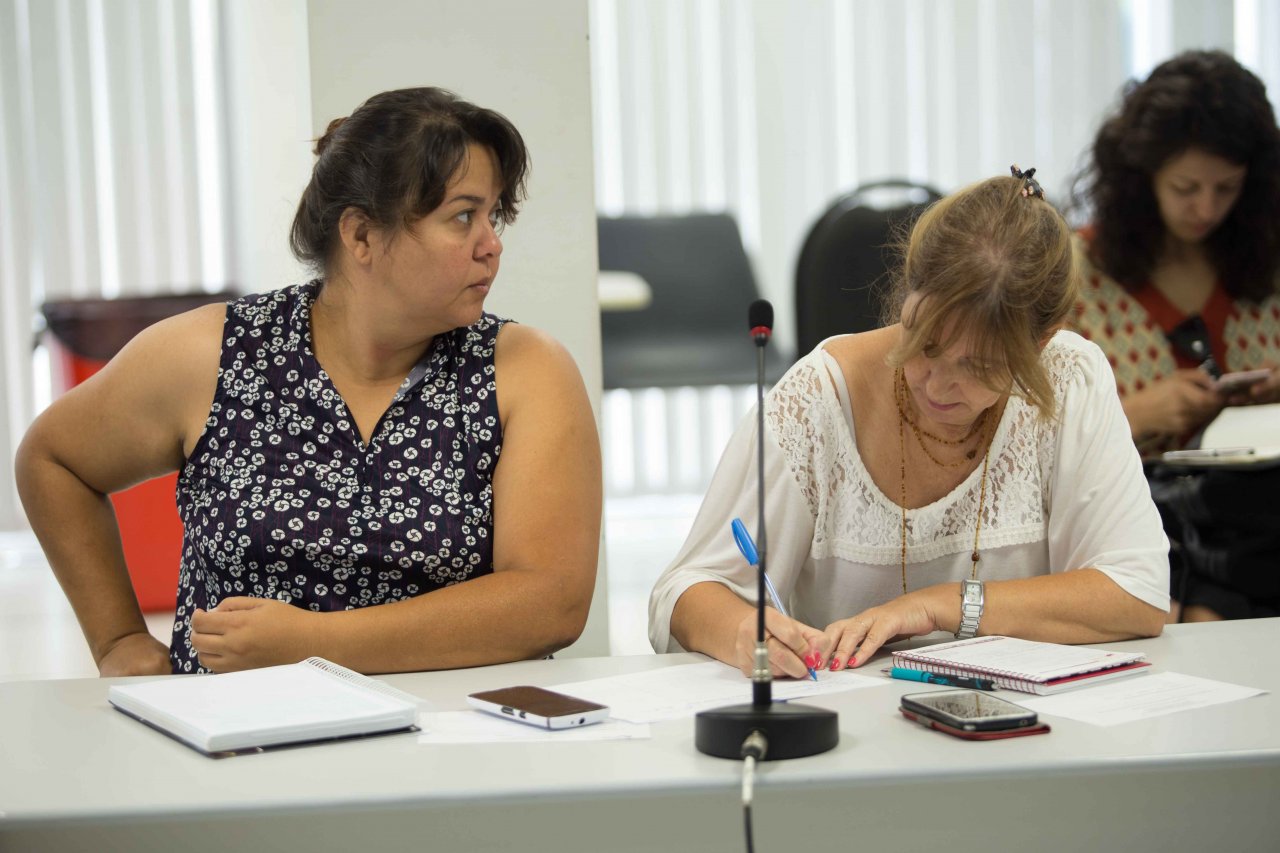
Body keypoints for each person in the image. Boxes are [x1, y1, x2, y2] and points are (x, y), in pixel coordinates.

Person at [16, 87, 602, 676]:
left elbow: (549, 604)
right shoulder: (213, 354)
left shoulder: (525, 370)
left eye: (493, 216)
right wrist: (117, 640)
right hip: (235, 745)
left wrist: (318, 642)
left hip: (449, 740)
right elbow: (52, 460)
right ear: (362, 236)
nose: (492, 246)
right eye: (462, 217)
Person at [649, 169, 1168, 679]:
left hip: (1028, 733)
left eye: (980, 366)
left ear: (1040, 344)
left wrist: (938, 607)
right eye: (926, 344)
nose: (939, 386)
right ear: (905, 296)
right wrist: (744, 628)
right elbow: (683, 592)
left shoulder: (1068, 377)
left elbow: (1138, 595)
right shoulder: (817, 399)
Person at [1068, 51, 1280, 623]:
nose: (1206, 208)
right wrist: (1132, 415)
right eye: (1186, 186)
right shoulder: (1074, 273)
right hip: (1136, 521)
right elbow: (1024, 438)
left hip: (1260, 515)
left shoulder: (1267, 264)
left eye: (1227, 189)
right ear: (1142, 175)